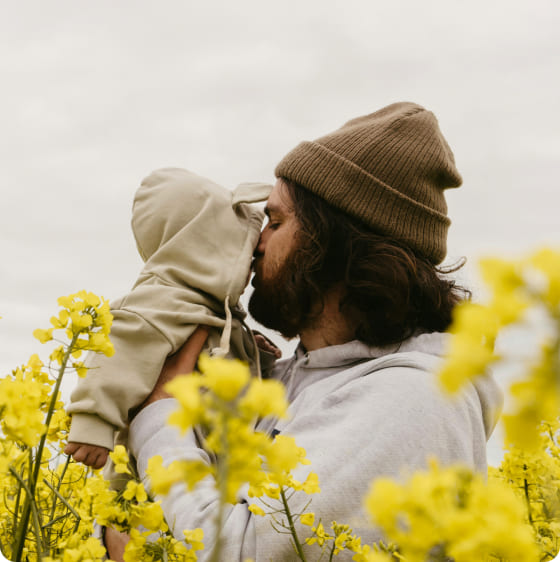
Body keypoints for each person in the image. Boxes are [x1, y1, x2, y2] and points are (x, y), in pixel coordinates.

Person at [105, 102, 503, 560]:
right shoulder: (291, 377)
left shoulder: (415, 399)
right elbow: (177, 530)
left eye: (276, 222)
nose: (256, 242)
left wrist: (161, 415)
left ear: (332, 245)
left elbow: (243, 552)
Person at [64, 167, 278, 474]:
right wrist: (92, 422)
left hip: (207, 471)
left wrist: (256, 355)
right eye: (242, 251)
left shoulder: (218, 314)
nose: (254, 259)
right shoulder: (161, 302)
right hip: (153, 476)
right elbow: (118, 352)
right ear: (205, 250)